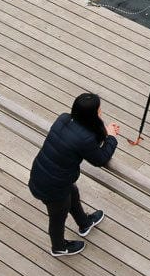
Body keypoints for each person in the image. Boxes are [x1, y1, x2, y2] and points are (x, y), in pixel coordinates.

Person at [28, 92, 120, 256]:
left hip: (43, 174)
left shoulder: (64, 118)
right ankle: (59, 247)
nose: (101, 112)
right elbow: (100, 159)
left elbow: (84, 137)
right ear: (92, 115)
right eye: (99, 111)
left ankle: (84, 223)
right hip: (52, 187)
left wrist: (104, 131)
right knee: (57, 217)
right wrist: (111, 137)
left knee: (73, 193)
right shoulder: (85, 139)